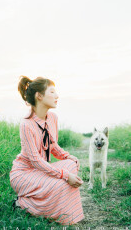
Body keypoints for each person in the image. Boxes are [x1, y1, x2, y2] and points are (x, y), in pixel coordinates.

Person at [9, 75, 85, 225]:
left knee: (71, 164)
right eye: (52, 92)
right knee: (63, 182)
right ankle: (22, 203)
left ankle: (49, 200)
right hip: (24, 174)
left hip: (41, 171)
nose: (57, 96)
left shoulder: (52, 118)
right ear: (39, 96)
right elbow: (35, 161)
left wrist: (69, 157)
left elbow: (53, 147)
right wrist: (64, 175)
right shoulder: (26, 124)